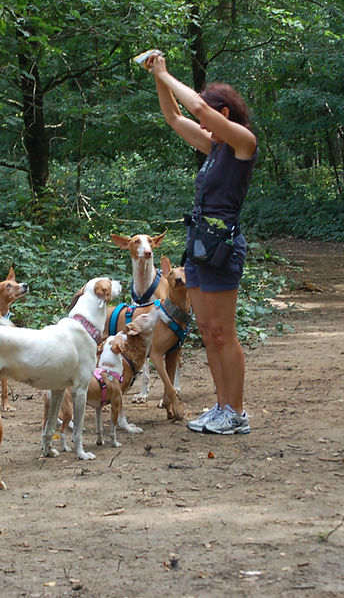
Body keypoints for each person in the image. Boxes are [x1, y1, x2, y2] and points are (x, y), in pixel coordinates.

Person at [144, 53, 257, 435]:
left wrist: (166, 72)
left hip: (223, 248)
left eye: (210, 115)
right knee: (208, 330)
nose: (203, 121)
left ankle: (236, 411)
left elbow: (195, 106)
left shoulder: (243, 143)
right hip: (200, 248)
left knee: (224, 332)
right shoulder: (216, 148)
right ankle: (222, 405)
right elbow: (175, 117)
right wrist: (158, 79)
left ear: (223, 113)